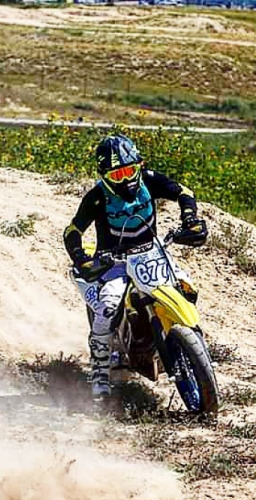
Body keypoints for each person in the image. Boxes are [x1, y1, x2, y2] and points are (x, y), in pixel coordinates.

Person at [63, 134, 208, 399]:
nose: (126, 180)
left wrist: (190, 218)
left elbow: (183, 192)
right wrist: (81, 258)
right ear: (105, 176)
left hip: (152, 253)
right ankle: (100, 372)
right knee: (107, 309)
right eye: (117, 176)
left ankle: (193, 348)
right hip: (114, 262)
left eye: (130, 171)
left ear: (139, 165)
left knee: (188, 289)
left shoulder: (150, 179)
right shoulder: (97, 197)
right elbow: (72, 231)